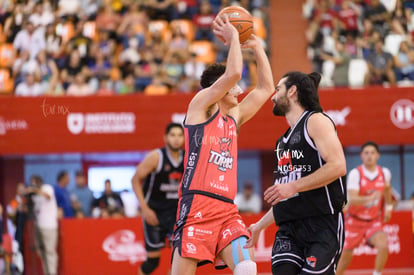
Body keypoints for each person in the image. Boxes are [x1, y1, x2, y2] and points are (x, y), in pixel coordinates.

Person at [171, 14, 274, 275]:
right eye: (234, 87)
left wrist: (259, 49)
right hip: (198, 205)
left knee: (248, 267)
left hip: (227, 209)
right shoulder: (200, 108)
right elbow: (234, 73)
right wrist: (233, 40)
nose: (240, 91)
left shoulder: (233, 117)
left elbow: (265, 89)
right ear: (219, 89)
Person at [246, 71, 347, 275]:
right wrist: (259, 226)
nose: (273, 97)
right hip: (289, 230)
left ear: (292, 91)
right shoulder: (281, 143)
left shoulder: (316, 121)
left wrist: (294, 185)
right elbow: (286, 198)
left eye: (277, 90)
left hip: (321, 224)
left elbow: (338, 166)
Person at [131, 122, 184, 275]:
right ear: (166, 138)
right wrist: (145, 208)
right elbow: (135, 180)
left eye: (180, 135)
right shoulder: (156, 157)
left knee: (180, 259)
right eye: (172, 135)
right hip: (154, 213)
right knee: (152, 262)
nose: (176, 139)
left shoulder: (188, 158)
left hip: (176, 215)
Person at [336, 141, 393, 275]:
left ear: (377, 155)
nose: (369, 156)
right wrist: (370, 198)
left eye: (372, 153)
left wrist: (389, 207)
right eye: (366, 153)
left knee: (383, 246)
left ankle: (377, 274)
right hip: (355, 221)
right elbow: (353, 199)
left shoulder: (384, 173)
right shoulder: (356, 174)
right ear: (361, 156)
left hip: (373, 220)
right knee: (345, 260)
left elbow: (387, 189)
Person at [28, 175, 59, 275]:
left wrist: (35, 190)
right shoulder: (34, 195)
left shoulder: (47, 188)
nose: (33, 186)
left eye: (34, 183)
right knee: (41, 251)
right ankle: (47, 272)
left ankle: (52, 272)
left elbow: (47, 196)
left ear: (39, 182)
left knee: (50, 251)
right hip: (38, 225)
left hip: (49, 226)